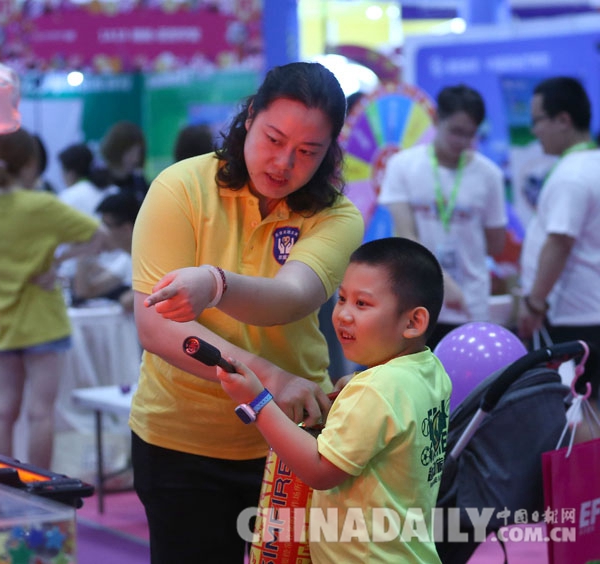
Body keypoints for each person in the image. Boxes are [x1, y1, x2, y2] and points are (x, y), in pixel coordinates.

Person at [129, 61, 365, 564]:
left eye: (307, 152)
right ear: (250, 115)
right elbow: (155, 326)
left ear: (330, 152)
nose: (283, 163)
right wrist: (270, 382)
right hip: (182, 441)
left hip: (292, 446)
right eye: (274, 139)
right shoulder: (181, 188)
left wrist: (214, 284)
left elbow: (291, 298)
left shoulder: (336, 216)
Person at [218, 236, 451, 562]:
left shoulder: (375, 389)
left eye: (362, 304)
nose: (343, 314)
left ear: (413, 322)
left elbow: (319, 471)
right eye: (341, 298)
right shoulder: (428, 368)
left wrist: (258, 402)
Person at [0, 127, 118, 469]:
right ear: (32, 163)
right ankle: (41, 489)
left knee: (3, 413)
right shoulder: (43, 206)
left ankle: (3, 483)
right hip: (45, 324)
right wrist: (57, 263)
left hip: (0, 322)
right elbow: (103, 236)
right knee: (40, 413)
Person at [379, 84, 507, 349]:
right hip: (416, 301)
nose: (461, 142)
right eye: (456, 132)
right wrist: (443, 283)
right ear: (437, 120)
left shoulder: (489, 175)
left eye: (469, 135)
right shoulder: (402, 166)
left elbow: (496, 244)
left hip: (471, 304)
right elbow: (406, 236)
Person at [517, 76, 600, 401]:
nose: (534, 130)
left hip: (573, 316)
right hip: (586, 311)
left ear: (563, 120)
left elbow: (560, 242)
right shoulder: (591, 164)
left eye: (537, 120)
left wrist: (535, 302)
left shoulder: (573, 175)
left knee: (579, 414)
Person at [71, 191, 140, 311]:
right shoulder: (126, 259)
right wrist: (83, 256)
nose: (101, 232)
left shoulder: (153, 254)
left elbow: (128, 301)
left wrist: (127, 298)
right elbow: (85, 293)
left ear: (126, 229)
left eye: (107, 226)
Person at [98, 121, 149, 203]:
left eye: (138, 153)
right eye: (130, 153)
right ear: (116, 150)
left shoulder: (140, 183)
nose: (135, 159)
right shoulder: (98, 182)